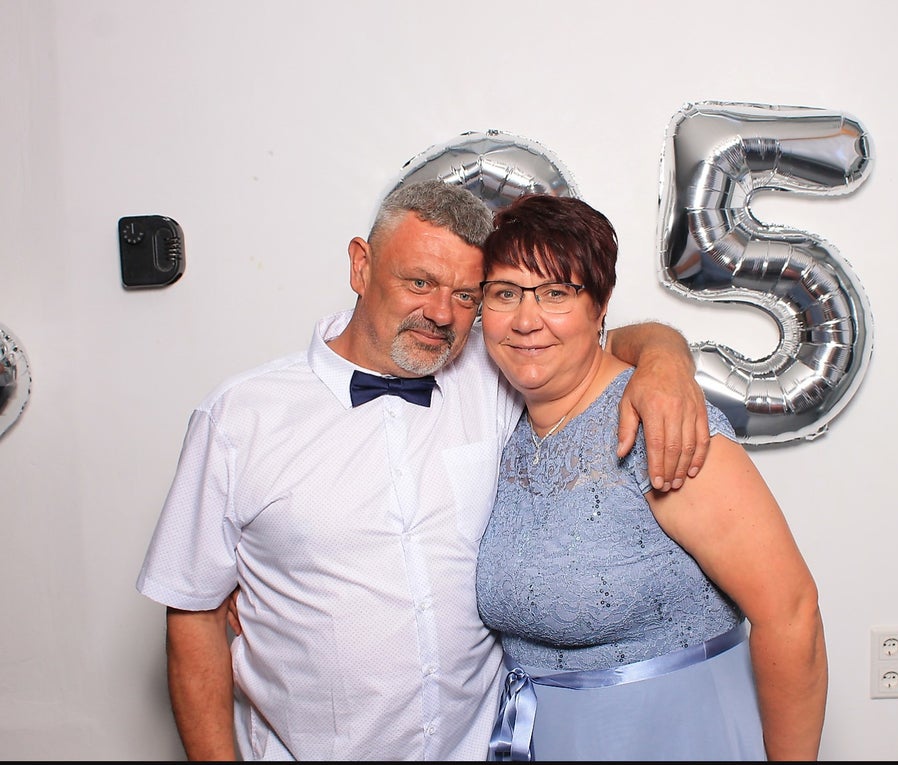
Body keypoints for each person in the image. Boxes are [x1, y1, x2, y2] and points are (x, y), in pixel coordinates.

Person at [136, 179, 711, 761]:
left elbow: (584, 340)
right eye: (419, 283)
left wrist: (664, 358)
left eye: (465, 295)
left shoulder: (495, 370)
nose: (440, 314)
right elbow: (191, 613)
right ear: (361, 266)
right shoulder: (240, 418)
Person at [474, 193, 828, 761]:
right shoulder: (499, 416)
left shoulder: (660, 422)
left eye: (556, 293)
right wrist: (662, 347)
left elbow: (792, 614)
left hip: (678, 738)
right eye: (505, 293)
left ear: (600, 305)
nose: (525, 319)